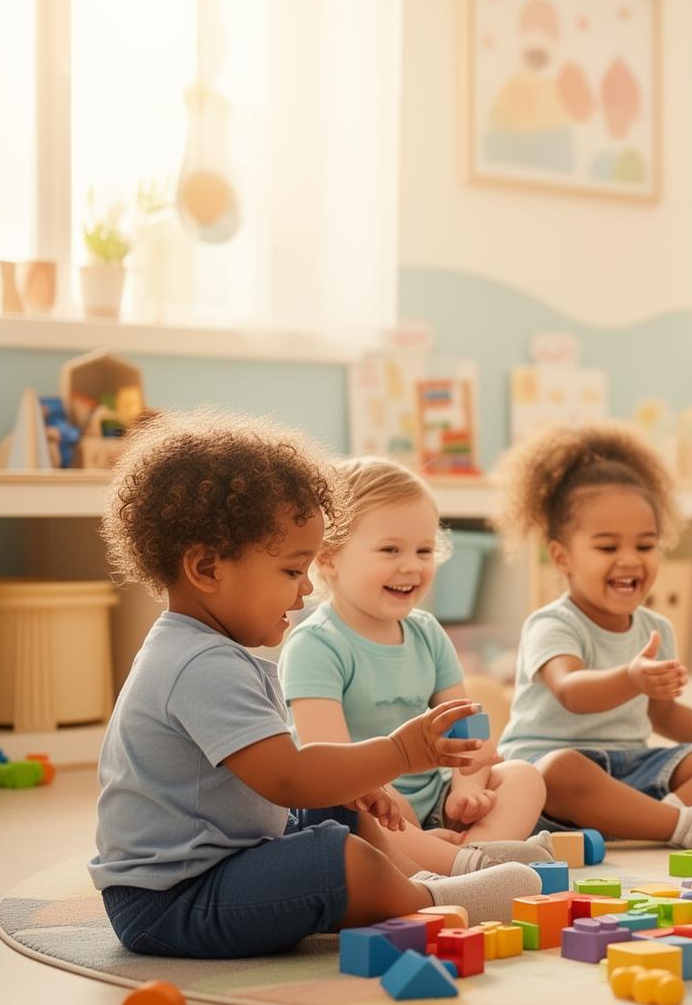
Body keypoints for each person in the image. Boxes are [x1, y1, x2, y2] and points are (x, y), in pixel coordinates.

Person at [90, 410, 538, 958]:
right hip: (173, 902)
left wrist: (351, 782)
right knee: (335, 859)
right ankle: (429, 898)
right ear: (207, 569)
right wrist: (399, 751)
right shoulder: (199, 665)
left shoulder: (204, 650)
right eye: (290, 571)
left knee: (339, 808)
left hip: (226, 861)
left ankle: (412, 880)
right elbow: (289, 778)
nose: (305, 591)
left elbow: (280, 771)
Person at [281, 457, 551, 877]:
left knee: (523, 776)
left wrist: (468, 785)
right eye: (391, 550)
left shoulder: (426, 632)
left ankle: (473, 852)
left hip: (434, 793)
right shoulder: (316, 645)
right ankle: (466, 865)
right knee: (348, 808)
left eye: (424, 550)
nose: (412, 565)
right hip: (368, 798)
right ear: (330, 558)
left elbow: (467, 726)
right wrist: (396, 810)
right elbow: (328, 765)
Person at [492, 423, 692, 847]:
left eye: (646, 546)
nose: (630, 560)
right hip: (549, 773)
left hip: (634, 768)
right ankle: (676, 826)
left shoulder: (656, 628)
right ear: (562, 557)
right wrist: (630, 678)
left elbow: (664, 716)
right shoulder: (553, 623)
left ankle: (647, 819)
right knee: (561, 771)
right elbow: (571, 690)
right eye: (608, 548)